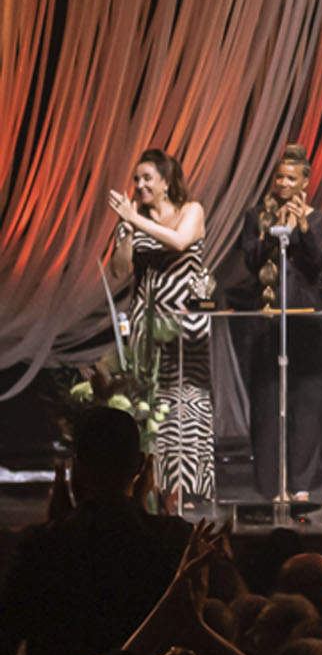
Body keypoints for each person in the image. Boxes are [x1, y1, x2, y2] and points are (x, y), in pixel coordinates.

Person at [0, 407, 192, 655]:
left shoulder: (41, 546)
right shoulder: (176, 539)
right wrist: (141, 513)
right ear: (141, 466)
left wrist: (57, 528)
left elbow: (7, 638)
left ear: (75, 467)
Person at [106, 148, 213, 501]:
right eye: (136, 179)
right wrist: (125, 233)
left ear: (166, 182)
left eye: (147, 178)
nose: (139, 185)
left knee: (186, 402)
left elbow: (179, 242)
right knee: (150, 403)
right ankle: (150, 486)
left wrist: (134, 220)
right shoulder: (134, 219)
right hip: (146, 324)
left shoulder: (191, 211)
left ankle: (188, 488)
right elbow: (118, 271)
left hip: (186, 326)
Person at [239, 144, 322, 499]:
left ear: (304, 182)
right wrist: (273, 230)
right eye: (279, 177)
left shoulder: (319, 220)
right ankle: (271, 485)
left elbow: (317, 266)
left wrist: (302, 228)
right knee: (266, 403)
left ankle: (300, 484)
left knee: (305, 404)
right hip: (266, 320)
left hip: (305, 321)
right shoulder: (256, 217)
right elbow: (251, 262)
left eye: (291, 178)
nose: (283, 183)